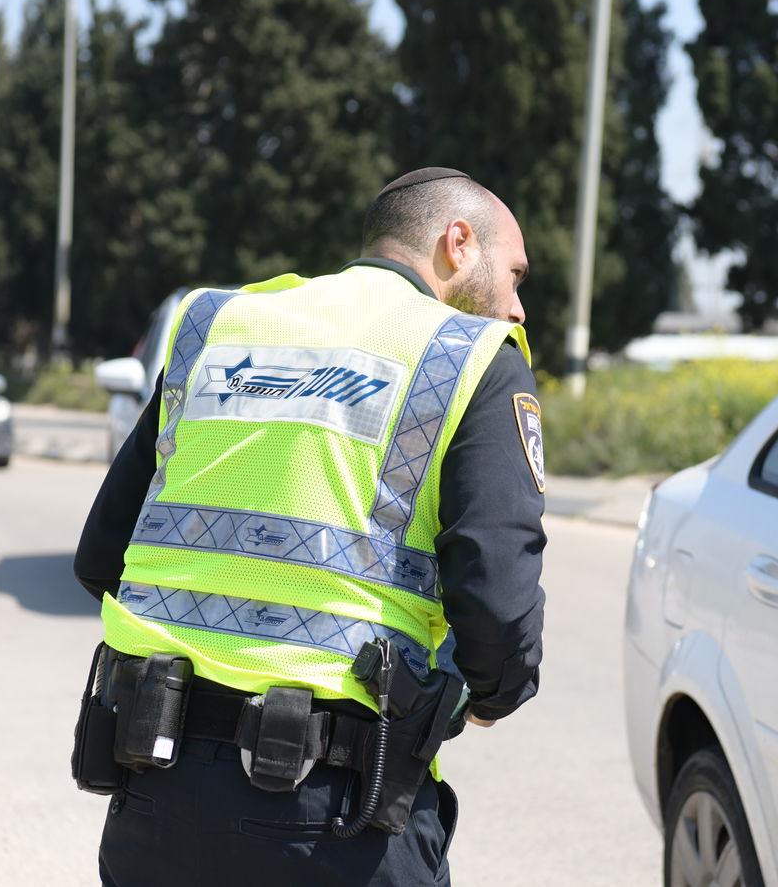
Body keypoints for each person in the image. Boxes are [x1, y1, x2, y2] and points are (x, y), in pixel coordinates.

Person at [72, 167, 547, 886]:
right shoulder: (470, 358)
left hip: (156, 800)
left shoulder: (220, 326)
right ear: (458, 242)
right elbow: (497, 602)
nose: (516, 307)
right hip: (335, 819)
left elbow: (101, 556)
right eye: (514, 275)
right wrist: (491, 692)